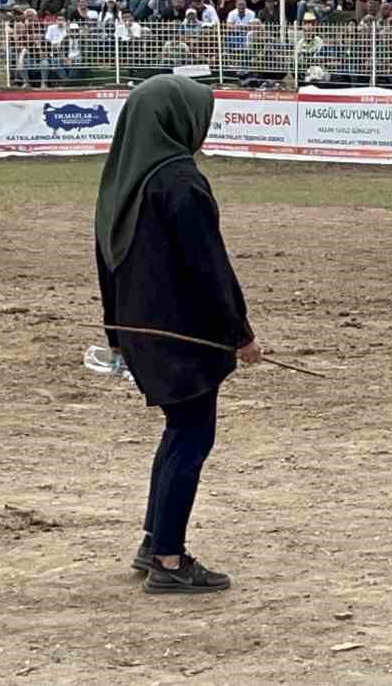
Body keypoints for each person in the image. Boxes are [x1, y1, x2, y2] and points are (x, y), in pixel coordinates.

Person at [93, 76, 262, 595]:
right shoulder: (179, 181)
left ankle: (154, 542)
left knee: (179, 432)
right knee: (192, 435)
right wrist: (241, 333)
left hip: (140, 331)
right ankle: (169, 557)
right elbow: (210, 267)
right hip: (183, 336)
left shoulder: (124, 181)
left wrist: (116, 335)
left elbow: (106, 263)